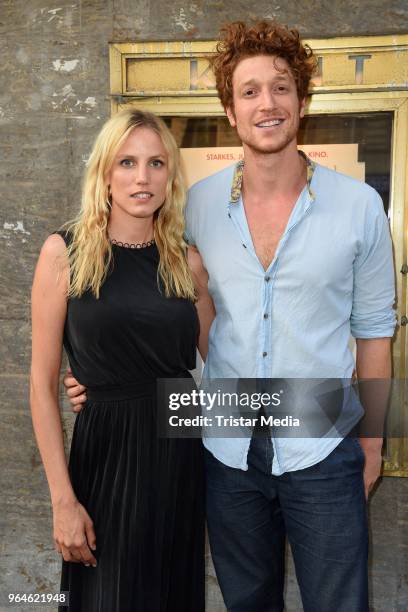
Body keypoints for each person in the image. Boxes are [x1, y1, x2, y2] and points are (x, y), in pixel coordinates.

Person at [64, 20, 396, 612]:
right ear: (230, 108)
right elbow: (149, 297)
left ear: (301, 100)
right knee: (247, 602)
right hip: (222, 436)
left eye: (281, 87)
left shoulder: (359, 206)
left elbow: (374, 332)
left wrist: (370, 445)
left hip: (323, 435)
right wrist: (107, 375)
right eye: (249, 91)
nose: (266, 103)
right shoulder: (195, 206)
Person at [30, 109, 214, 612]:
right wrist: (62, 500)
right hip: (102, 454)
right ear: (105, 173)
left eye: (156, 163)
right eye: (127, 162)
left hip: (177, 456)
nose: (142, 177)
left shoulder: (187, 261)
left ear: (171, 176)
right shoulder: (63, 254)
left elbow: (224, 367)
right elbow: (42, 386)